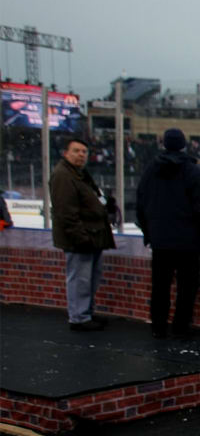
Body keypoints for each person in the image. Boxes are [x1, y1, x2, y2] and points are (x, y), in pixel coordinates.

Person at [135, 128, 200, 338]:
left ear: (164, 144)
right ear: (184, 145)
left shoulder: (150, 171)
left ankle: (158, 326)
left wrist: (149, 233)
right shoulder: (192, 171)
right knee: (187, 287)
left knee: (160, 286)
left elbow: (141, 204)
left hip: (161, 241)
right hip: (188, 241)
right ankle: (181, 326)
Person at [50, 138, 116, 331]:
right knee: (80, 278)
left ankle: (85, 312)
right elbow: (66, 213)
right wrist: (81, 238)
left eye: (84, 152)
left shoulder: (79, 174)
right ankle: (79, 317)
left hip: (92, 235)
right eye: (76, 151)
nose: (81, 155)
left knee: (89, 278)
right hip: (80, 238)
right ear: (66, 153)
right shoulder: (63, 176)